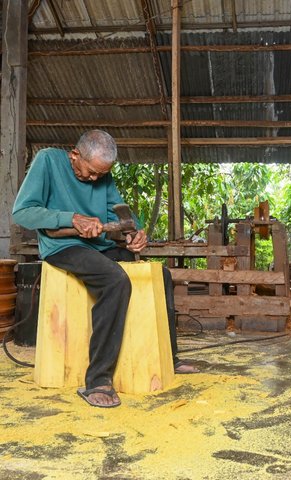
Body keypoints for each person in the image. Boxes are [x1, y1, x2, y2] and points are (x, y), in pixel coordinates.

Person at [12, 130, 198, 408]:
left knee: (161, 275)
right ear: (75, 155)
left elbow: (118, 211)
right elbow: (23, 212)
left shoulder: (101, 175)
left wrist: (135, 232)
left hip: (98, 247)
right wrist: (71, 218)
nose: (95, 179)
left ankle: (170, 357)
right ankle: (98, 379)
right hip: (62, 248)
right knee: (115, 280)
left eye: (101, 174)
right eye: (90, 173)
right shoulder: (48, 161)